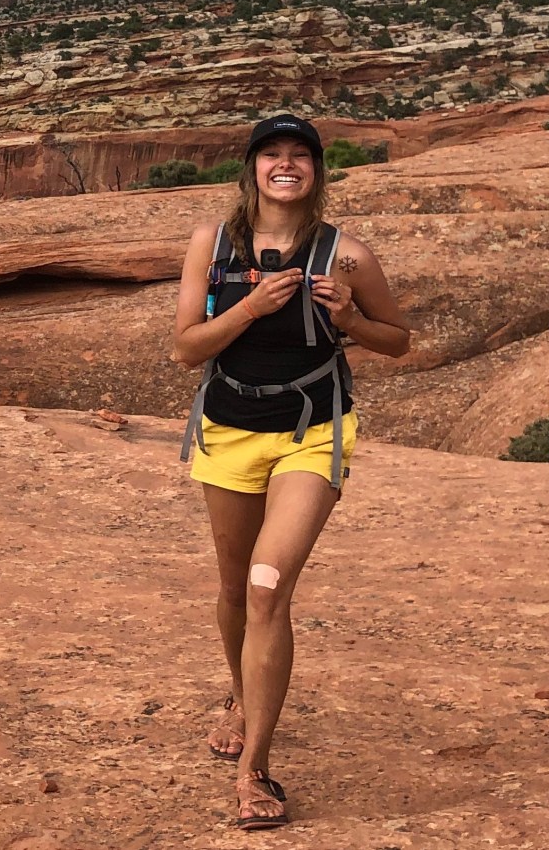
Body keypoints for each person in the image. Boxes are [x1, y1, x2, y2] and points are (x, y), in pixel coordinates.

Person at [172, 113, 410, 831]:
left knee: (266, 586)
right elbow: (187, 348)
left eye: (300, 155)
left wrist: (350, 319)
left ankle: (255, 773)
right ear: (251, 169)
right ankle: (242, 696)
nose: (286, 165)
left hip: (313, 431)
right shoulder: (211, 245)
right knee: (232, 586)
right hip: (229, 426)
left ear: (317, 170)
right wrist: (250, 305)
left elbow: (396, 340)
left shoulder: (348, 257)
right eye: (271, 154)